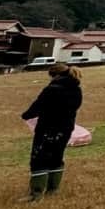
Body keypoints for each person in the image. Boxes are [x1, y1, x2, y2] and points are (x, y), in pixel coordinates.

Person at [20, 63, 83, 201]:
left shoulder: (52, 89)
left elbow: (37, 107)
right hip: (66, 128)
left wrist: (26, 115)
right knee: (56, 156)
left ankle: (36, 193)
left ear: (55, 75)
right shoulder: (76, 89)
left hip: (48, 128)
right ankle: (53, 189)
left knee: (39, 158)